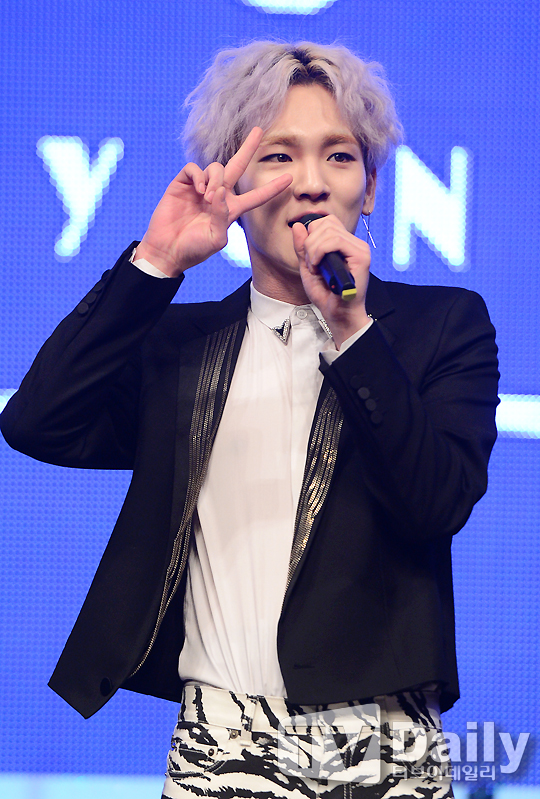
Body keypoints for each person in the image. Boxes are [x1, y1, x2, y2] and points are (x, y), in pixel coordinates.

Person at [0, 41, 499, 799]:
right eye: (278, 157)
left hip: (381, 742)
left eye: (339, 156)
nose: (310, 183)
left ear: (371, 187)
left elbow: (436, 501)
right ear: (232, 183)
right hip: (220, 742)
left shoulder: (441, 327)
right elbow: (38, 421)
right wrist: (157, 262)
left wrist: (353, 330)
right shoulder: (183, 344)